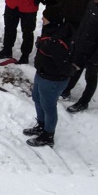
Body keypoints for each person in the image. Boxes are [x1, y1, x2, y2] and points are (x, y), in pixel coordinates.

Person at [24, 11, 75, 148]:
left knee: (48, 107)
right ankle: (41, 125)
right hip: (42, 73)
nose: (42, 18)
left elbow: (63, 65)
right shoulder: (51, 31)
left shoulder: (57, 40)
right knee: (36, 98)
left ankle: (48, 135)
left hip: (52, 79)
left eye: (45, 17)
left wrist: (71, 70)